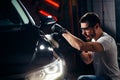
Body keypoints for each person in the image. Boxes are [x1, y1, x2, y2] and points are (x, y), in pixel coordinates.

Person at [51, 12, 120, 80]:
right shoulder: (94, 40)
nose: (83, 33)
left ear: (96, 26)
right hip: (101, 77)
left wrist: (63, 31)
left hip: (111, 78)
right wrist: (75, 49)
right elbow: (88, 59)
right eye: (82, 29)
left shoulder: (106, 40)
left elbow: (82, 46)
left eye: (86, 29)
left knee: (83, 79)